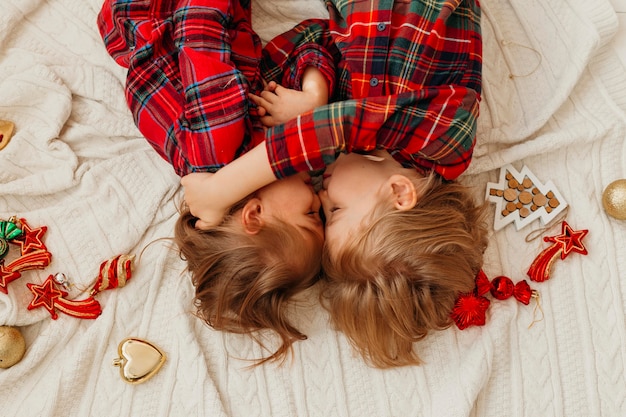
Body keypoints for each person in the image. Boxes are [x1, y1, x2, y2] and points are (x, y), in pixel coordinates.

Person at [184, 0, 488, 368]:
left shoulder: (355, 146)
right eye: (336, 211)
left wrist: (314, 94)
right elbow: (328, 130)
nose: (321, 193)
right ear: (399, 193)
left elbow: (315, 37)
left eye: (320, 214)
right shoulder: (445, 143)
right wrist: (222, 189)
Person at [97, 0, 332, 363]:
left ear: (253, 215)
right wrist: (314, 97)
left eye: (311, 214)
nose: (319, 195)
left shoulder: (215, 150)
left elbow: (198, 27)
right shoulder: (262, 139)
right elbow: (314, 36)